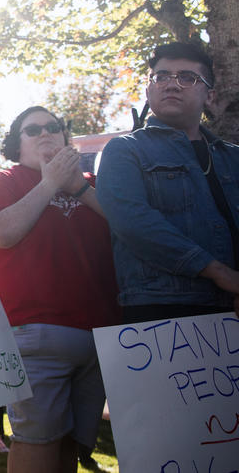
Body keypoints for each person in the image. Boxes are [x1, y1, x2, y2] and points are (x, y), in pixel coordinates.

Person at [0, 105, 119, 473]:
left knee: (70, 447)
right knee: (36, 442)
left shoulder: (94, 183)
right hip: (34, 335)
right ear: (16, 144)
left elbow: (129, 230)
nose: (45, 133)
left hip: (98, 338)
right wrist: (49, 183)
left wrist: (79, 188)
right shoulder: (3, 181)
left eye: (53, 127)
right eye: (33, 129)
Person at [97, 42, 239, 320]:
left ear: (209, 96)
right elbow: (133, 222)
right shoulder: (124, 150)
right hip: (162, 312)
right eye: (161, 76)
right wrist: (218, 271)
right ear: (149, 90)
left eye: (187, 77)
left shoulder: (234, 159)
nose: (171, 85)